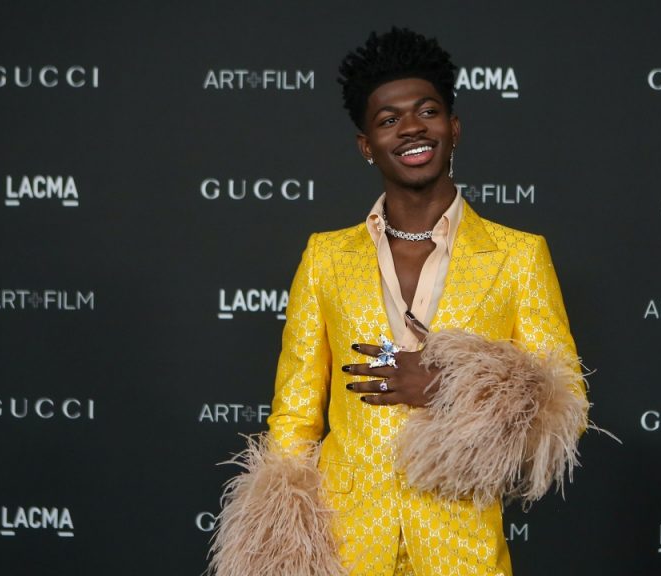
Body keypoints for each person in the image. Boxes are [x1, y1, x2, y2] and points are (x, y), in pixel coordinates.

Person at [209, 27, 590, 576]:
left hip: (462, 547)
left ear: (453, 127)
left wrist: (450, 388)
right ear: (367, 145)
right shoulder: (325, 258)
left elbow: (565, 405)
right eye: (389, 119)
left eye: (427, 111)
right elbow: (294, 418)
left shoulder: (518, 256)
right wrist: (280, 548)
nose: (411, 127)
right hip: (347, 545)